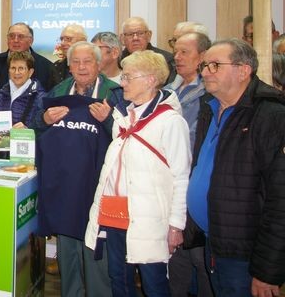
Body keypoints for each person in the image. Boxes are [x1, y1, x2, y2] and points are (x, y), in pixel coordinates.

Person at [85, 50, 191, 297]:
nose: (122, 83)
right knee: (119, 279)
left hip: (148, 218)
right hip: (115, 211)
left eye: (128, 77)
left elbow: (181, 176)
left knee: (154, 283)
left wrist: (176, 225)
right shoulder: (123, 117)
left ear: (150, 80)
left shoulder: (171, 122)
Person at [185, 39, 285, 295]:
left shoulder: (271, 116)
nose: (206, 72)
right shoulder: (210, 108)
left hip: (246, 255)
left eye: (215, 65)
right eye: (205, 65)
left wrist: (267, 270)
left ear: (243, 70)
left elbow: (280, 200)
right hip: (214, 241)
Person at [32, 42, 119, 297]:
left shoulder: (114, 93)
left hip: (99, 184)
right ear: (68, 66)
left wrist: (108, 120)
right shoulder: (58, 91)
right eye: (76, 62)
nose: (81, 67)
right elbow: (35, 125)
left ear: (98, 64)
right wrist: (44, 119)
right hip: (65, 183)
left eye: (87, 61)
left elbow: (127, 135)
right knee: (67, 248)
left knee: (96, 250)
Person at [164, 32, 212, 297]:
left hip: (195, 183)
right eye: (176, 52)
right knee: (176, 260)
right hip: (169, 182)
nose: (177, 57)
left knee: (199, 259)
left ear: (202, 56)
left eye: (184, 52)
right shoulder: (169, 89)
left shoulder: (209, 94)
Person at [0, 51, 46, 160]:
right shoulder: (0, 94)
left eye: (21, 68)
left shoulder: (40, 98)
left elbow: (44, 131)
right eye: (13, 68)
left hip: (25, 159)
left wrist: (28, 131)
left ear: (30, 72)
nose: (16, 72)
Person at [0, 22, 54, 93]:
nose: (15, 40)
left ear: (31, 41)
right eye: (11, 36)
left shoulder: (47, 67)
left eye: (21, 36)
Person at [120, 17, 176, 84]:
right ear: (122, 38)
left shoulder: (166, 60)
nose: (135, 38)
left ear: (149, 35)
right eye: (130, 34)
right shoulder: (116, 61)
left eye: (140, 33)